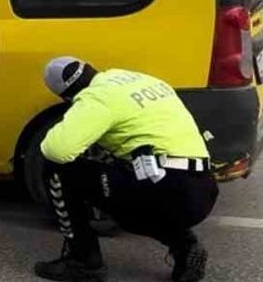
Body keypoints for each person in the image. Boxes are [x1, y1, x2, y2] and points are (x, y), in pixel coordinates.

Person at [34, 57, 217, 282]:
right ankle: (185, 246)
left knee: (57, 169)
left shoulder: (96, 98)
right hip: (203, 187)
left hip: (169, 189)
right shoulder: (139, 80)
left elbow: (56, 150)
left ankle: (83, 262)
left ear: (68, 95)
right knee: (127, 201)